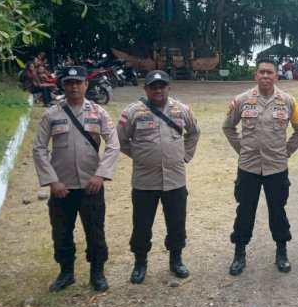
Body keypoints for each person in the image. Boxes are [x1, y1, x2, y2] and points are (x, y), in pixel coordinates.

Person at [32, 66, 120, 292]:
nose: (74, 86)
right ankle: (66, 273)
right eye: (69, 83)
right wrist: (52, 181)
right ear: (63, 86)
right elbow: (39, 148)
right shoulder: (52, 114)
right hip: (62, 187)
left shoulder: (98, 113)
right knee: (61, 232)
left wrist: (100, 175)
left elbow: (113, 145)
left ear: (86, 85)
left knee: (95, 231)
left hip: (91, 186)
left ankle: (97, 273)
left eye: (78, 82)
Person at [222, 57, 298, 275]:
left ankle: (281, 252)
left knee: (277, 211)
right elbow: (228, 127)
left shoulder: (288, 101)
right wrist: (242, 150)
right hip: (248, 167)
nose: (266, 76)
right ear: (256, 75)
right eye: (262, 72)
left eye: (270, 72)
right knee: (245, 211)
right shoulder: (242, 100)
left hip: (276, 168)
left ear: (276, 75)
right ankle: (239, 253)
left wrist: (286, 152)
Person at [117, 70, 201, 284]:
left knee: (176, 223)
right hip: (145, 180)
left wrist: (185, 155)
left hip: (175, 179)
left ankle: (176, 260)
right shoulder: (133, 111)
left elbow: (194, 132)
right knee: (142, 225)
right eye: (152, 86)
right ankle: (140, 263)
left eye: (162, 86)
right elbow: (121, 139)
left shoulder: (181, 110)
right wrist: (139, 156)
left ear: (168, 88)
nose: (157, 90)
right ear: (145, 89)